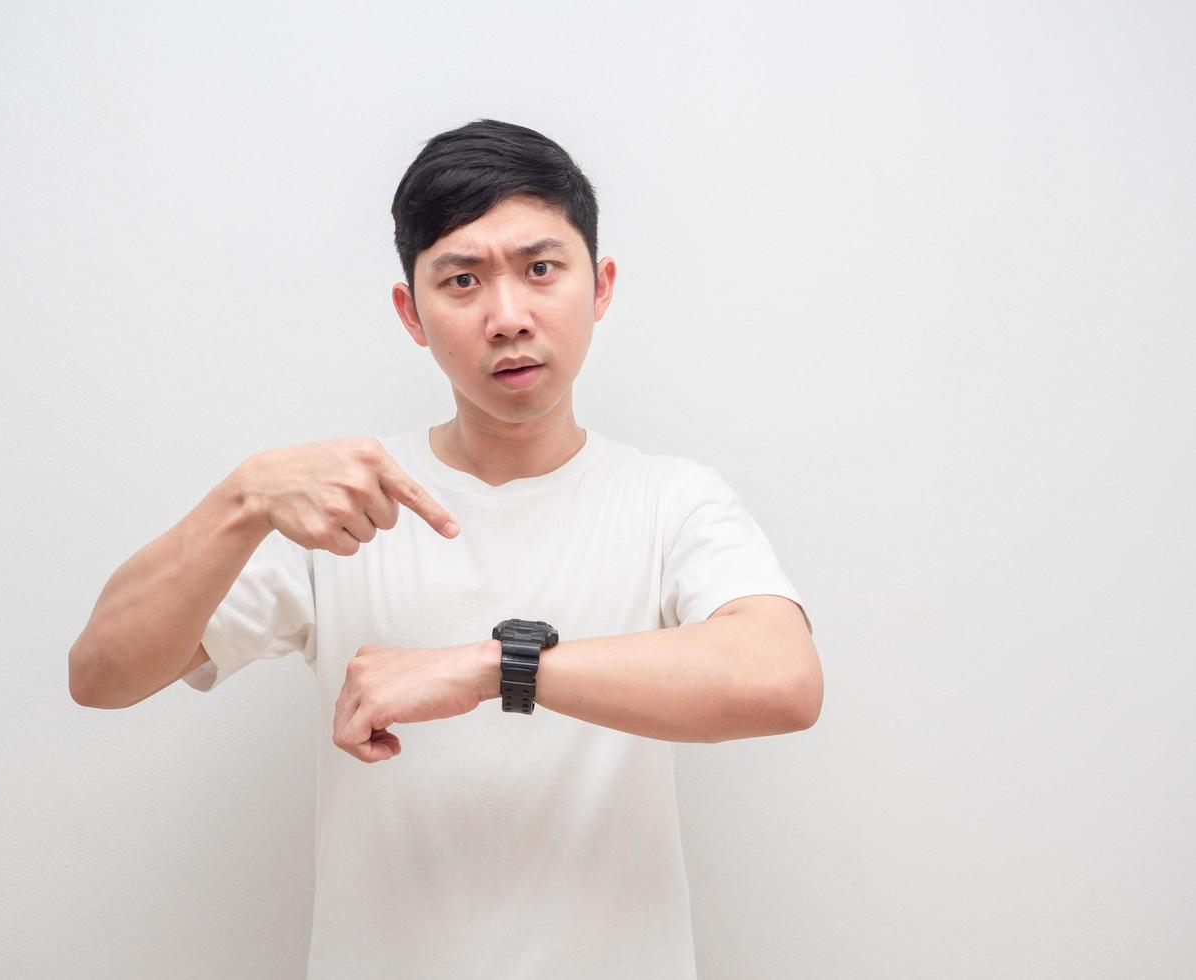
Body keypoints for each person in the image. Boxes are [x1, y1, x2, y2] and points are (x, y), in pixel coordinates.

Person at [68, 118, 822, 979]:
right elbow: (101, 676)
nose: (507, 317)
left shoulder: (668, 498)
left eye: (541, 270)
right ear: (411, 313)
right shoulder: (342, 509)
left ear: (600, 284)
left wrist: (487, 667)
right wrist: (241, 499)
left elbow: (782, 680)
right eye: (461, 280)